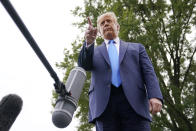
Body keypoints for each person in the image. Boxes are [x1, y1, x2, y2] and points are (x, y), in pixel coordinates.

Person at [78, 12, 163, 131]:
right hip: (104, 107)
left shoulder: (137, 48)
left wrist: (155, 96)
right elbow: (83, 65)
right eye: (102, 23)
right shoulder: (92, 51)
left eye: (109, 21)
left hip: (135, 104)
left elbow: (149, 73)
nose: (106, 24)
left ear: (117, 26)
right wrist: (89, 42)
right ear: (100, 32)